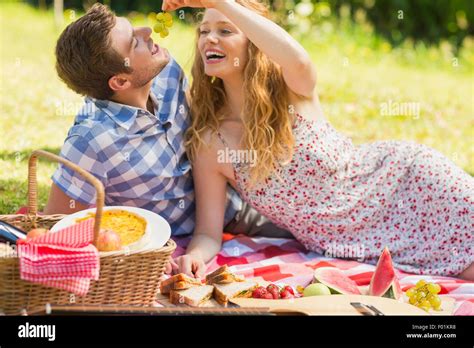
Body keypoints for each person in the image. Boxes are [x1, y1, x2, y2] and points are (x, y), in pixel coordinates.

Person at [164, 0, 474, 279]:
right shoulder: (211, 142)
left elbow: (297, 58)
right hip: (354, 245)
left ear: (254, 42)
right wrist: (193, 256)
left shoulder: (292, 90)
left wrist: (221, 2)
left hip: (408, 183)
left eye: (225, 30)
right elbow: (207, 233)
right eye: (203, 31)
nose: (209, 39)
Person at [45, 3, 292, 274]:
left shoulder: (167, 73)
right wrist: (136, 254)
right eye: (133, 42)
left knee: (313, 232)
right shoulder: (90, 141)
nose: (147, 31)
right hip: (175, 242)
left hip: (233, 210)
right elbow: (60, 229)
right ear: (120, 82)